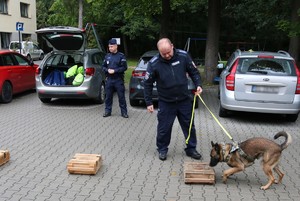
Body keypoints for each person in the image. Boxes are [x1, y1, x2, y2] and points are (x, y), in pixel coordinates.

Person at [144, 38, 203, 161]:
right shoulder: (154, 63)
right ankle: (162, 149)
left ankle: (191, 149)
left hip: (184, 100)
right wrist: (149, 102)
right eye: (163, 54)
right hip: (166, 102)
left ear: (172, 46)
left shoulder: (183, 56)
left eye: (168, 52)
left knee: (189, 126)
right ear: (159, 52)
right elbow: (147, 83)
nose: (167, 55)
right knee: (164, 128)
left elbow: (194, 72)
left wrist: (198, 85)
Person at [102, 38, 128, 118]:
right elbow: (103, 67)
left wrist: (115, 71)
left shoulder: (121, 56)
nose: (110, 48)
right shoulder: (107, 56)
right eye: (109, 47)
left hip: (118, 80)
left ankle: (124, 112)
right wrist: (107, 70)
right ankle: (107, 111)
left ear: (116, 46)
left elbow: (124, 67)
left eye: (112, 46)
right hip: (109, 79)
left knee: (121, 97)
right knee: (108, 97)